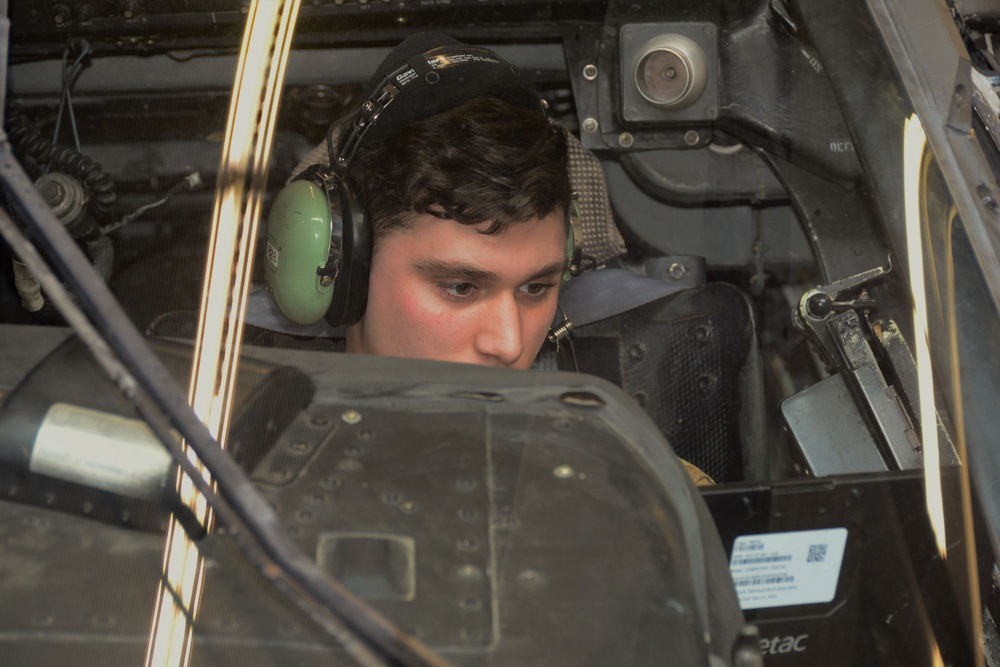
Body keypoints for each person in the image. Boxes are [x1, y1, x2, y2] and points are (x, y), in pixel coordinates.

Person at [337, 34, 572, 370]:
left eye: (535, 288)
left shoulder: (611, 411)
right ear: (348, 271)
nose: (509, 345)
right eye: (461, 288)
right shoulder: (239, 408)